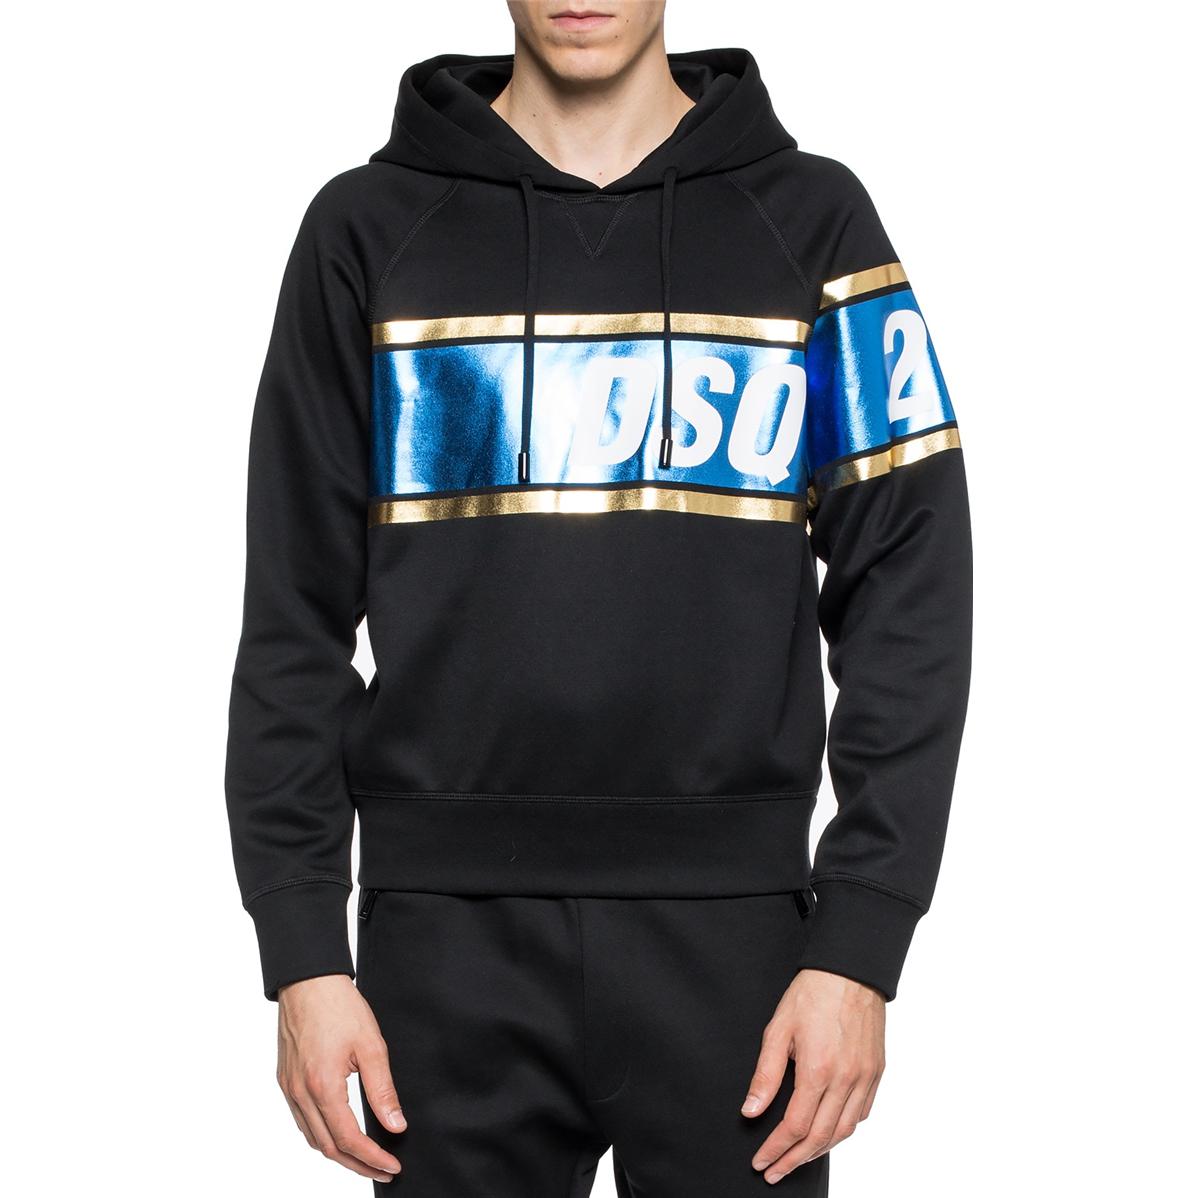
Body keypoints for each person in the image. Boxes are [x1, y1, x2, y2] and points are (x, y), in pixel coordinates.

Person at [223, 2, 973, 1194]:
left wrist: (861, 940)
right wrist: (303, 948)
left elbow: (911, 589)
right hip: (443, 947)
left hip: (741, 949)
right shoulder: (363, 231)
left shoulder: (812, 223)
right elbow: (292, 620)